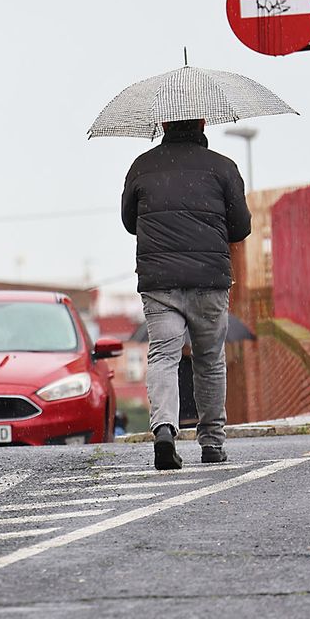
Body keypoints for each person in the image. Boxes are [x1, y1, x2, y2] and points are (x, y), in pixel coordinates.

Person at [120, 117, 251, 470]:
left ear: (163, 122)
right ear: (203, 122)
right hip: (209, 279)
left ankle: (164, 429)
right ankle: (212, 443)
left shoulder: (142, 166)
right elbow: (241, 227)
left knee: (164, 356)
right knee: (209, 359)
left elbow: (129, 222)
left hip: (159, 282)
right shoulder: (223, 167)